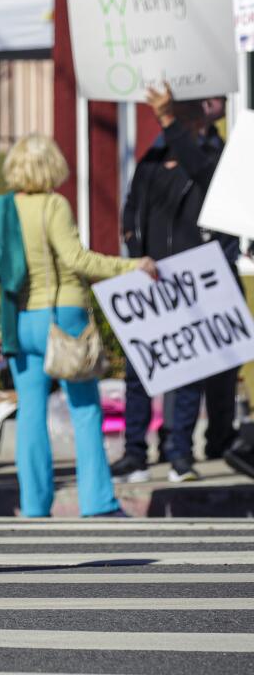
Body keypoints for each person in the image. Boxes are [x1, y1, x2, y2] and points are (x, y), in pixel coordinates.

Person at [0, 134, 157, 518]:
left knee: (29, 411)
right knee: (85, 409)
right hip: (62, 316)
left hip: (19, 321)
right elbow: (78, 259)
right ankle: (97, 502)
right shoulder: (54, 205)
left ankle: (34, 505)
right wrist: (132, 266)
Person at [111, 86, 240, 484]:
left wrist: (169, 121)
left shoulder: (215, 154)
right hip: (151, 280)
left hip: (192, 280)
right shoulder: (151, 157)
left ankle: (180, 452)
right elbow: (131, 208)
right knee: (139, 371)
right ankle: (135, 452)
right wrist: (136, 250)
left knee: (190, 373)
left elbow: (202, 174)